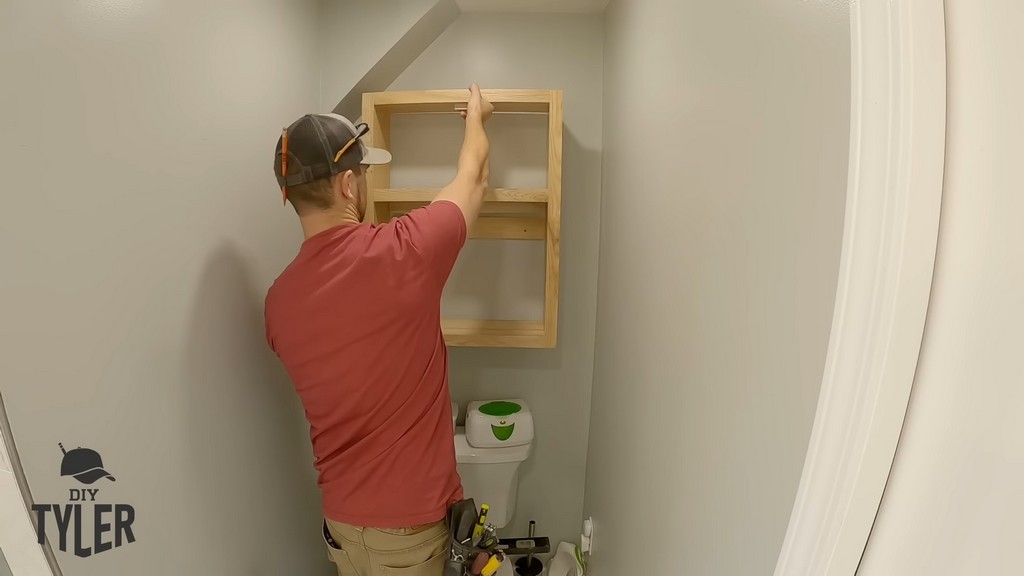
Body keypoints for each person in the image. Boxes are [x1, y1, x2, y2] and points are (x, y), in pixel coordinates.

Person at [263, 84, 494, 576]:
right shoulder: (406, 251)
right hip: (408, 535)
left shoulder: (277, 303)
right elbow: (473, 177)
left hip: (341, 526)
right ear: (349, 185)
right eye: (364, 174)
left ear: (288, 195)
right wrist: (477, 117)